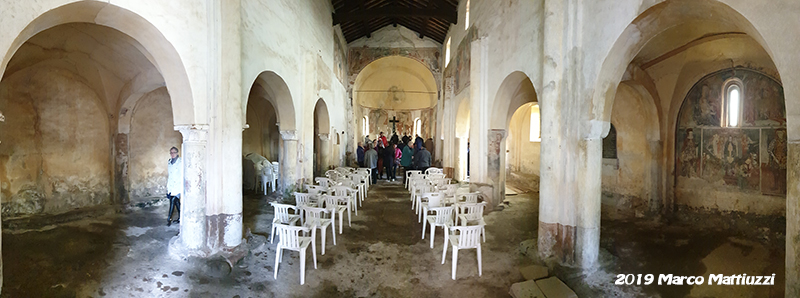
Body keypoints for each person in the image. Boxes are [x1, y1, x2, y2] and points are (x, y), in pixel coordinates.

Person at [166, 146, 183, 226]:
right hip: (172, 187)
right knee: (176, 203)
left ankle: (169, 218)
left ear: (177, 153)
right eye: (171, 153)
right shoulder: (169, 162)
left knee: (172, 201)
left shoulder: (181, 162)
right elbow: (170, 176)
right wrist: (168, 188)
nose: (172, 154)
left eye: (174, 152)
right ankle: (181, 218)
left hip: (178, 186)